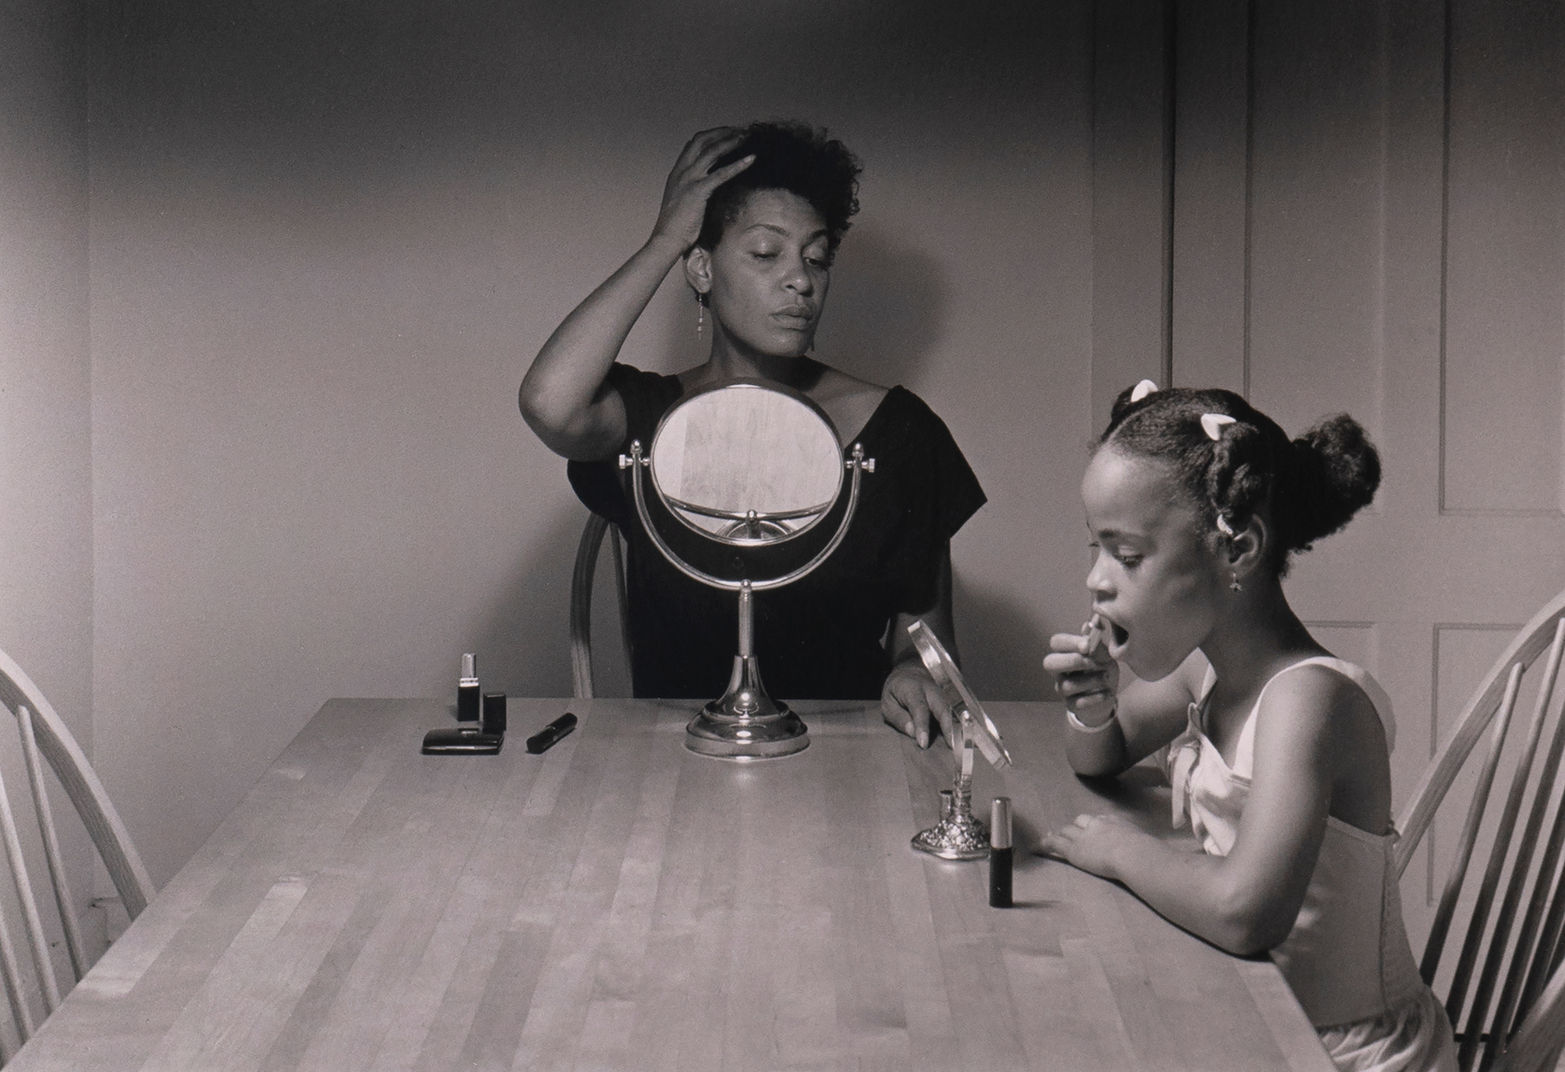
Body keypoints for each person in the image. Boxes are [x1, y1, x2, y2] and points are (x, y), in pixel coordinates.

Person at [519, 122, 985, 748]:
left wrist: (913, 674)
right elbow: (550, 403)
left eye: (817, 258)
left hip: (844, 760)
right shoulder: (653, 419)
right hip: (674, 760)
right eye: (767, 254)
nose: (801, 280)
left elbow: (926, 643)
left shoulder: (898, 432)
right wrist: (664, 242)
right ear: (702, 270)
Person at [1040, 381, 1456, 1072]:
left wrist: (1120, 852)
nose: (1095, 580)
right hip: (1252, 1006)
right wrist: (1092, 706)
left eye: (1126, 554)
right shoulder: (1202, 670)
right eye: (1094, 549)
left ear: (1237, 551)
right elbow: (1099, 758)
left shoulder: (1308, 701)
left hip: (1340, 1052)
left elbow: (1244, 912)